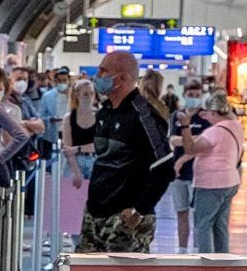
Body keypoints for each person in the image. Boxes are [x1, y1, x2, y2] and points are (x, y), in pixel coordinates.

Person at [70, 51, 175, 253]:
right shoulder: (105, 112)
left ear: (122, 78)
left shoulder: (144, 115)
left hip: (124, 217)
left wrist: (140, 210)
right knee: (87, 270)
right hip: (95, 212)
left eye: (103, 71)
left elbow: (165, 167)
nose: (97, 77)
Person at [177, 89, 245, 253]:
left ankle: (206, 262)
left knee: (204, 224)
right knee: (220, 225)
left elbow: (190, 148)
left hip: (211, 185)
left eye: (209, 113)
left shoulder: (214, 132)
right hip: (230, 182)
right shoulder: (235, 125)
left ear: (214, 112)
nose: (207, 117)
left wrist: (185, 125)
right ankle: (222, 260)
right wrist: (208, 115)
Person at [167, 80, 210, 252]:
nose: (194, 98)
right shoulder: (177, 116)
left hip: (197, 173)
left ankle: (199, 250)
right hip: (178, 175)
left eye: (197, 95)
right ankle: (182, 250)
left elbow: (201, 145)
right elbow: (173, 139)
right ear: (185, 95)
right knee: (181, 212)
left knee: (198, 215)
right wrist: (190, 140)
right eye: (191, 95)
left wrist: (182, 158)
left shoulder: (205, 117)